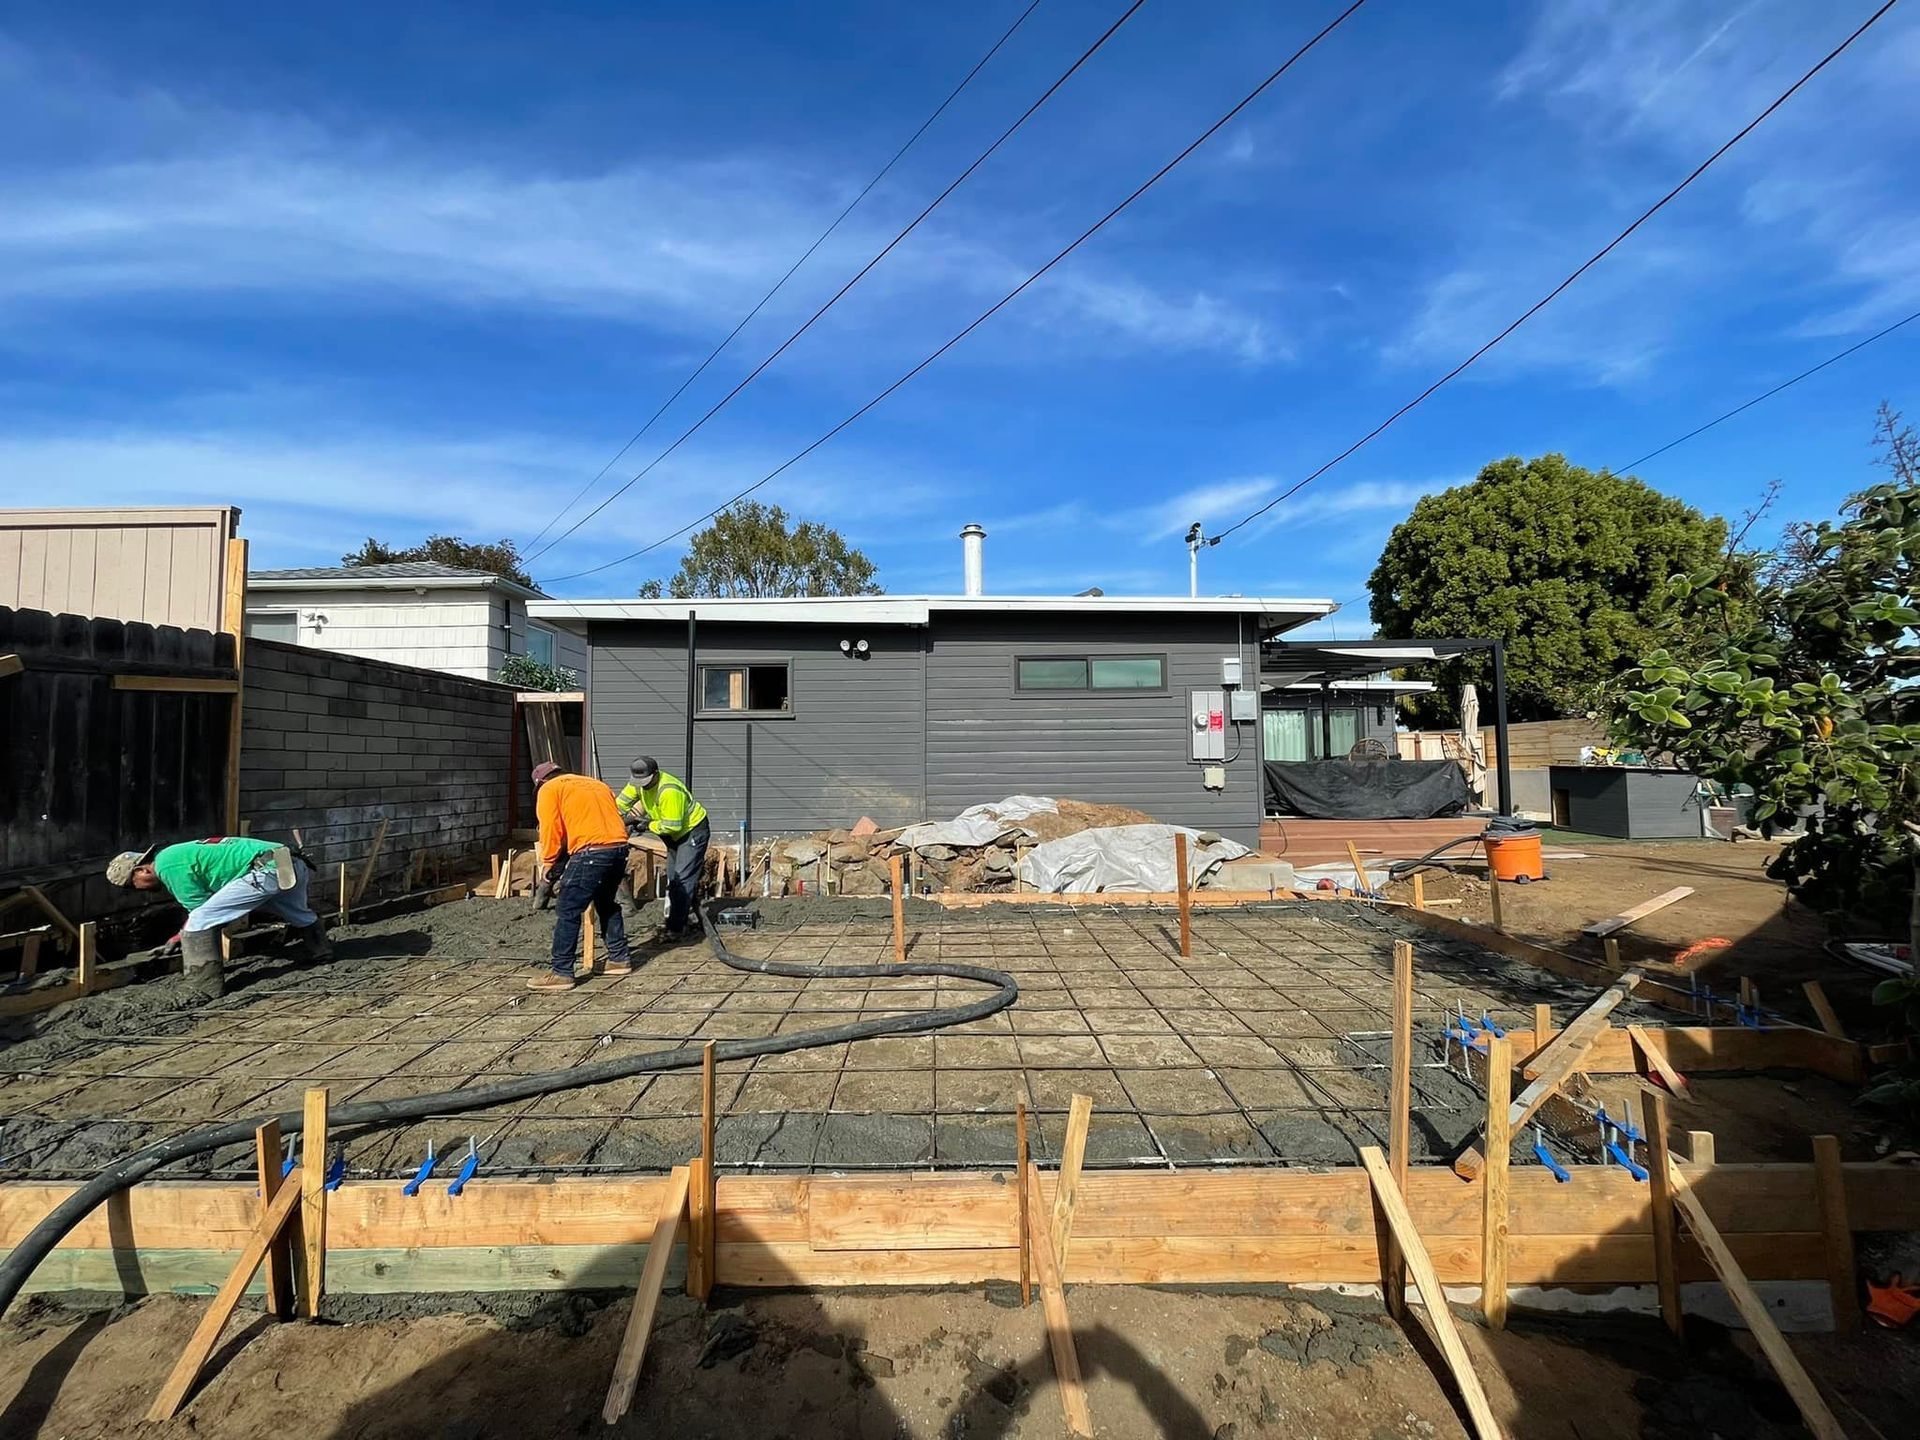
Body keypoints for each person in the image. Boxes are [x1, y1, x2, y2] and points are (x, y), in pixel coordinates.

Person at [106, 835, 330, 1001]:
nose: (138, 890)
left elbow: (200, 913)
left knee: (200, 920)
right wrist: (178, 937)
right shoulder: (174, 853)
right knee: (295, 912)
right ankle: (321, 951)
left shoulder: (167, 866)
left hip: (266, 869)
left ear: (142, 871)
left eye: (132, 885)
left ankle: (203, 987)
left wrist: (180, 938)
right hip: (289, 861)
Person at [532, 760, 635, 990]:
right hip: (618, 848)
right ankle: (618, 959)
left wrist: (548, 862)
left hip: (591, 852)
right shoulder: (596, 784)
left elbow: (551, 828)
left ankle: (561, 972)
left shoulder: (549, 789)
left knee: (568, 910)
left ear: (541, 782)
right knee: (607, 904)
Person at [615, 755, 710, 940]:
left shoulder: (669, 791)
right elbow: (620, 804)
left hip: (691, 832)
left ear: (655, 774)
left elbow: (672, 825)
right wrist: (613, 819)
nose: (643, 785)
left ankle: (676, 928)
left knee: (682, 880)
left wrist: (647, 825)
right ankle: (680, 919)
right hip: (673, 836)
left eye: (646, 781)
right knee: (674, 878)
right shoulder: (638, 783)